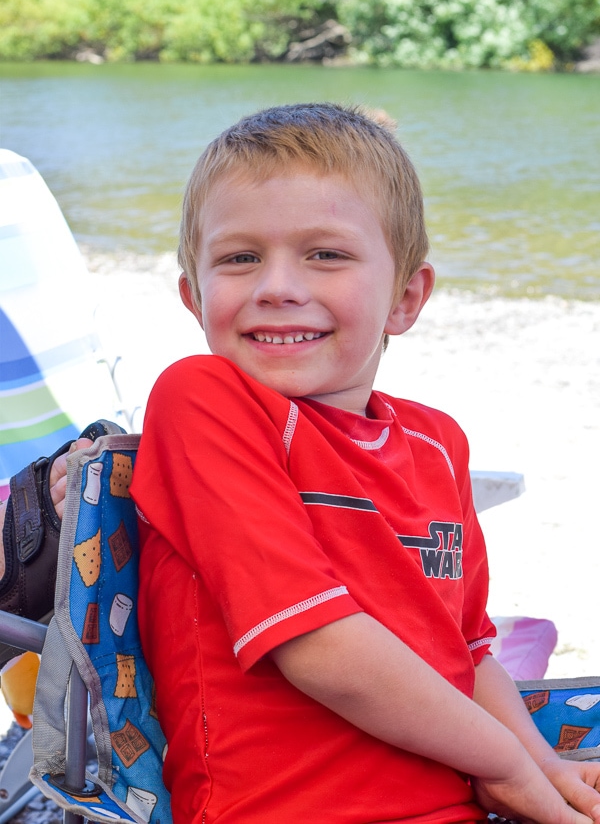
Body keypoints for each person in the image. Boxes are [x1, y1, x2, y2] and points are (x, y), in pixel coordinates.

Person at [126, 103, 600, 824]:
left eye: (326, 255)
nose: (277, 285)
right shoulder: (204, 400)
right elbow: (314, 645)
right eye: (239, 257)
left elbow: (469, 656)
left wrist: (546, 773)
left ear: (406, 297)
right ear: (194, 297)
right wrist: (506, 766)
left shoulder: (438, 444)